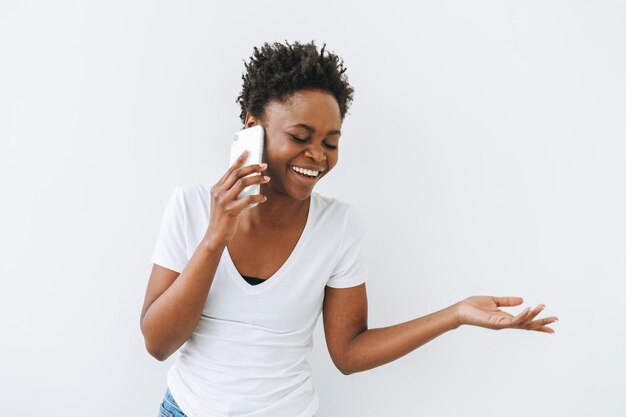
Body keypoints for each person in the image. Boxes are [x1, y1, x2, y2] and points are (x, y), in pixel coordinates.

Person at [140, 40, 558, 417]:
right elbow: (158, 344)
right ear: (252, 128)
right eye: (301, 136)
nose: (317, 156)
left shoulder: (338, 226)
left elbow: (349, 352)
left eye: (330, 142)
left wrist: (455, 315)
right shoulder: (191, 207)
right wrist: (215, 237)